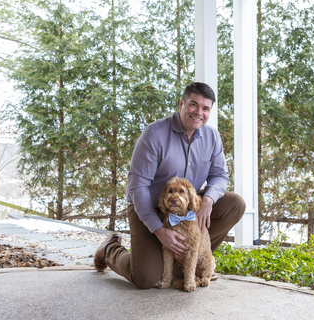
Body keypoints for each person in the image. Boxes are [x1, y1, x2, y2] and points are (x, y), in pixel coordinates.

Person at [93, 82, 246, 289]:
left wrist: (208, 200)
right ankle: (111, 249)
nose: (199, 112)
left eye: (205, 108)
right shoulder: (154, 134)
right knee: (146, 278)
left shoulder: (212, 137)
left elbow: (220, 175)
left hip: (187, 206)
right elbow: (137, 188)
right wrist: (159, 230)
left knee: (235, 204)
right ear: (181, 103)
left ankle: (191, 262)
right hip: (149, 207)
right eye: (194, 105)